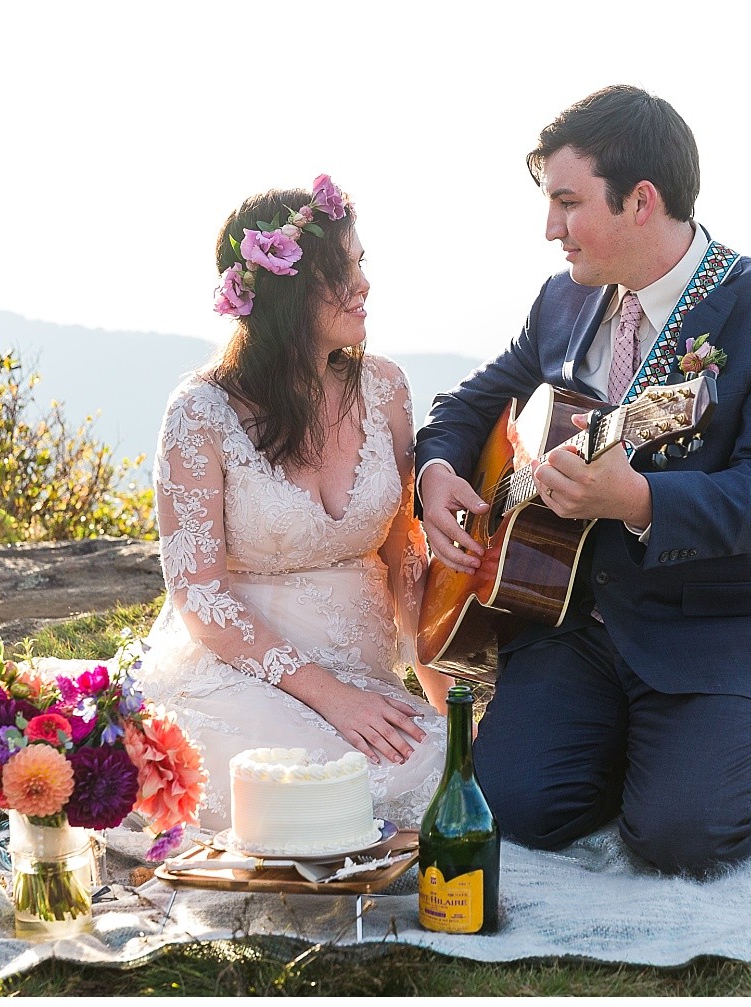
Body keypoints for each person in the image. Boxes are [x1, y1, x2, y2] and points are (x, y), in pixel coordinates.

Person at [415, 86, 751, 875]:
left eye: (567, 203)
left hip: (715, 632)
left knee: (685, 839)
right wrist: (439, 471)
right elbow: (466, 404)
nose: (550, 228)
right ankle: (641, 758)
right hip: (571, 625)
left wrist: (641, 500)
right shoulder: (561, 302)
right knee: (508, 809)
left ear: (641, 201)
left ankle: (699, 767)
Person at [136, 175, 454, 834]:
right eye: (339, 271)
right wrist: (331, 696)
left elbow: (405, 557)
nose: (362, 284)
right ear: (283, 289)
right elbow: (200, 595)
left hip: (366, 673)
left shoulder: (386, 388)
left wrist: (441, 693)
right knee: (343, 795)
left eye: (361, 264)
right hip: (244, 674)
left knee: (457, 770)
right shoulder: (201, 411)